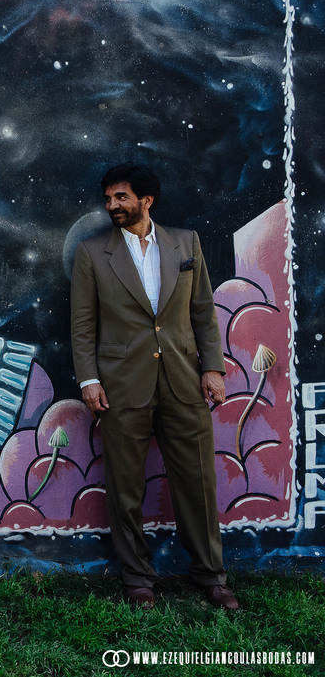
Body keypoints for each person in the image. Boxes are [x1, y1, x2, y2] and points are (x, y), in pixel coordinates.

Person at [70, 162, 238, 610]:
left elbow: (202, 311)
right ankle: (138, 578)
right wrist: (89, 379)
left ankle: (211, 575)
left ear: (146, 200)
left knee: (198, 483)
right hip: (121, 386)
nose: (112, 205)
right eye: (108, 198)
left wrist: (213, 368)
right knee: (125, 488)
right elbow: (83, 324)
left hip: (184, 380)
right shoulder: (91, 252)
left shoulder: (186, 243)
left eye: (121, 197)